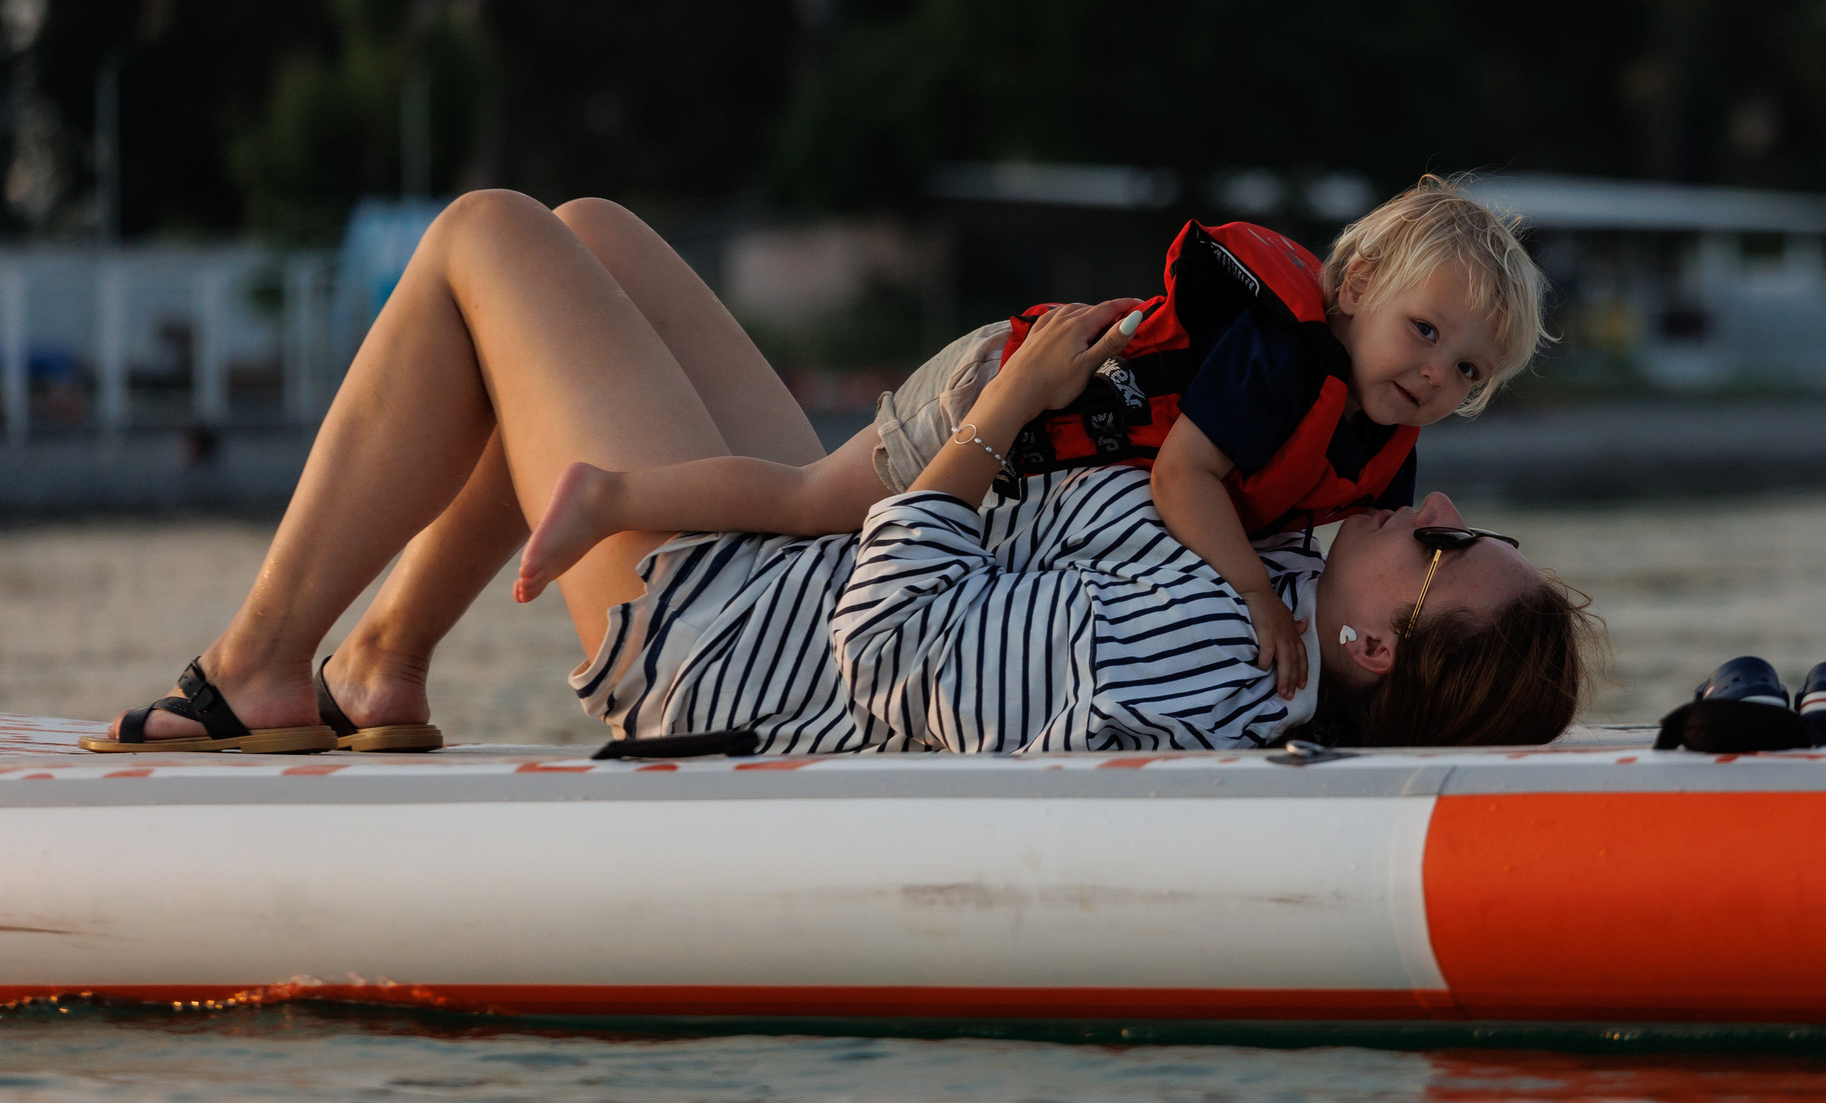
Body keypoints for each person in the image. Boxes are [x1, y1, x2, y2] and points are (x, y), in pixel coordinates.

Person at [81, 192, 1597, 757]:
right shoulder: (1299, 568)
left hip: (739, 634)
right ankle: (385, 659)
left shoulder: (1213, 650)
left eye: (1460, 551)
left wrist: (998, 413)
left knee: (487, 236)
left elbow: (898, 647)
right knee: (596, 233)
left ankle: (259, 666)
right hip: (807, 562)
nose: (1449, 500)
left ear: (1379, 643)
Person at [511, 178, 1548, 702]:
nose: (1432, 379)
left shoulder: (1379, 439)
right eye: (1423, 334)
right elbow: (1184, 481)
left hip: (1027, 446)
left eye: (1467, 373)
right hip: (1002, 392)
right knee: (802, 502)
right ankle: (607, 498)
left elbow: (1341, 552)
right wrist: (1249, 602)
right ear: (1355, 290)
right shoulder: (1280, 364)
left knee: (805, 514)